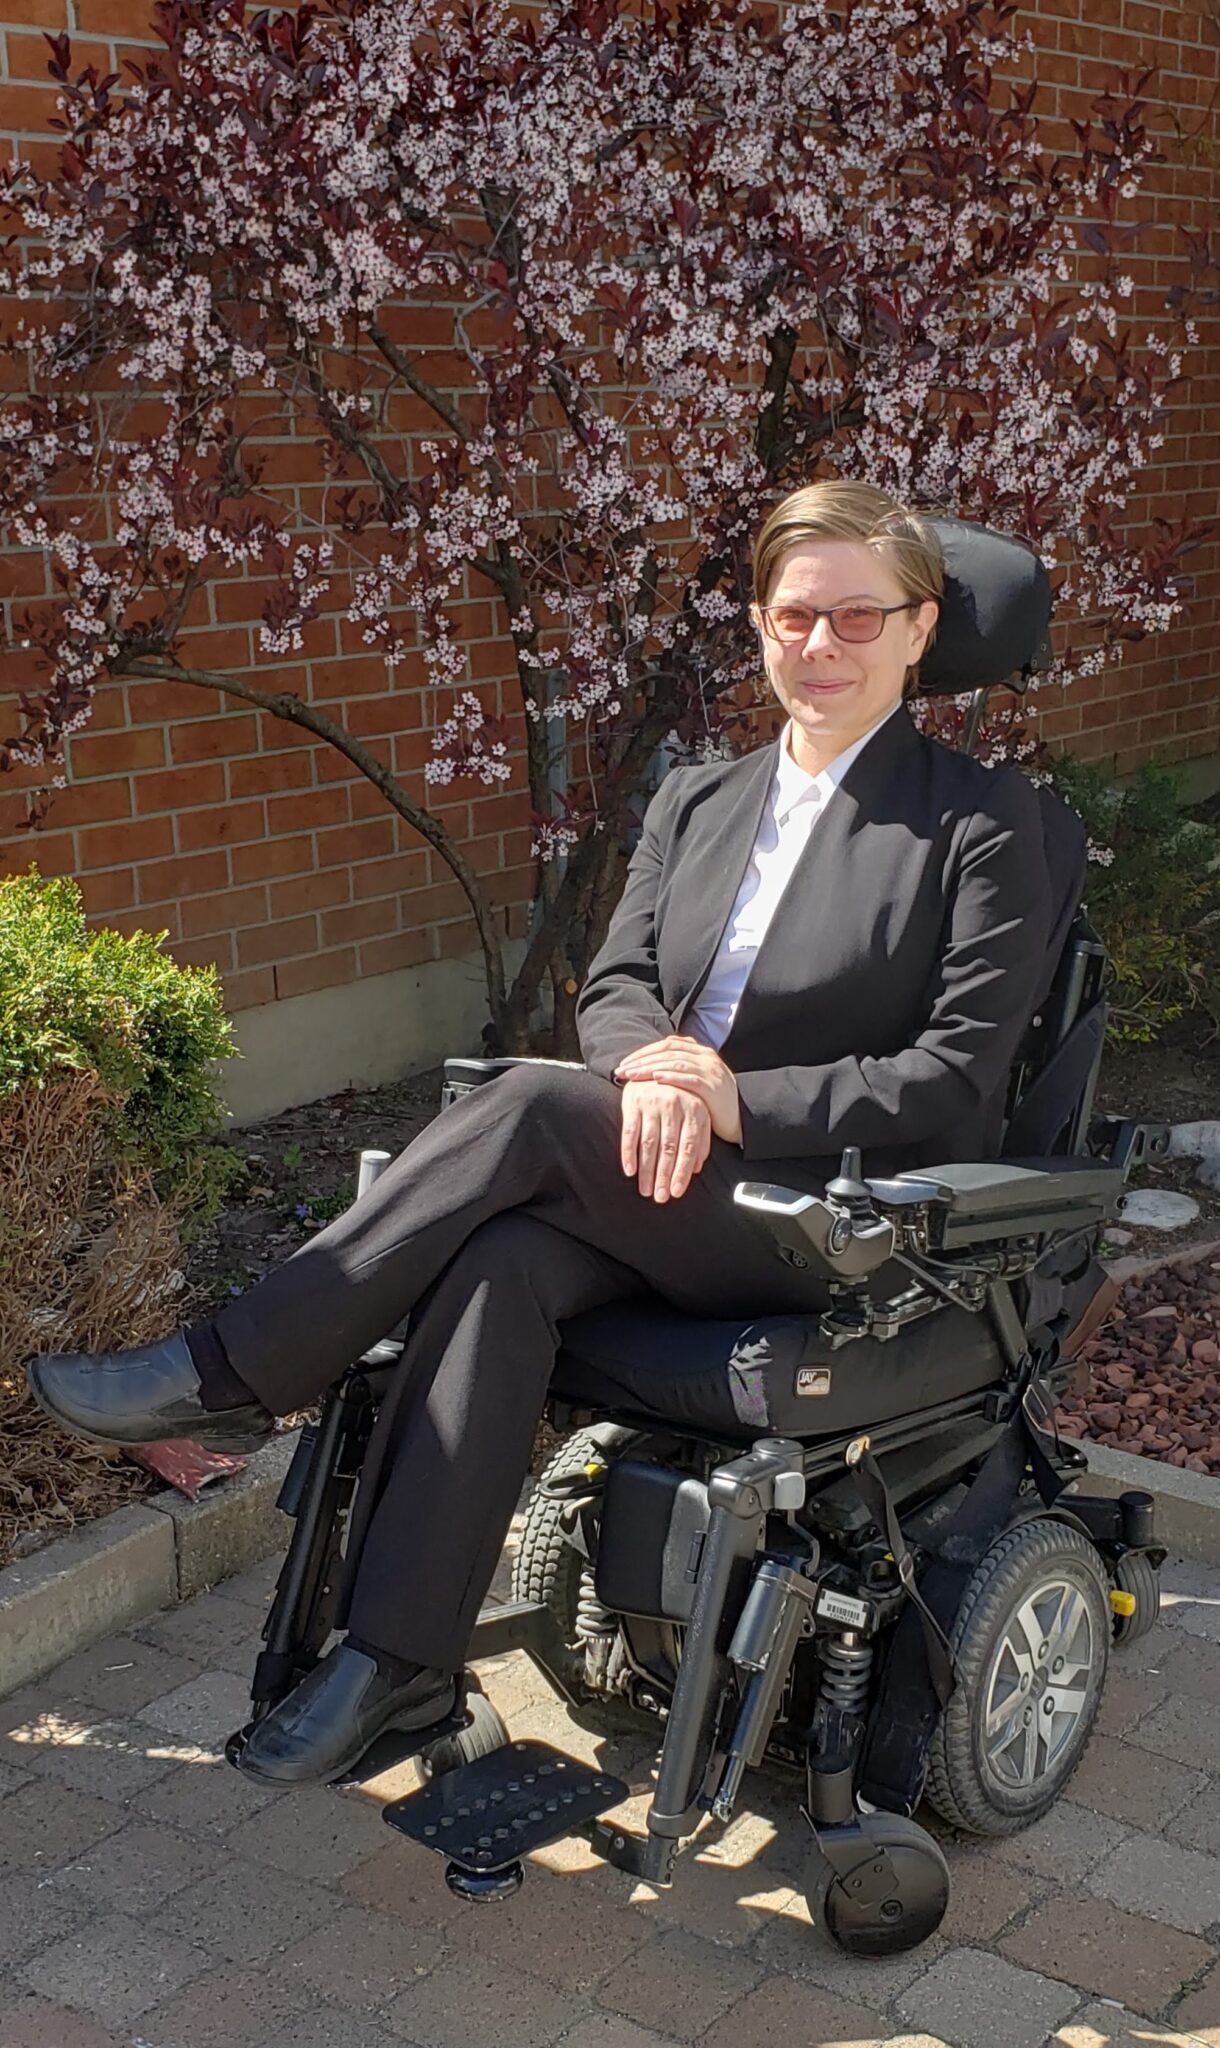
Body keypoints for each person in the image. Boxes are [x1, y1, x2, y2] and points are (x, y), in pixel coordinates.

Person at [27, 480, 1054, 1787]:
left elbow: (955, 1081)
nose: (823, 646)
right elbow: (617, 988)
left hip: (828, 1220)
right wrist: (661, 1078)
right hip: (654, 1171)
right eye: (797, 614)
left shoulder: (980, 822)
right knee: (502, 1265)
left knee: (517, 1106)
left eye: (861, 618)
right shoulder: (699, 799)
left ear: (921, 631)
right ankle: (396, 1668)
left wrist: (732, 1100)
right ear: (757, 622)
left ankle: (234, 1373)